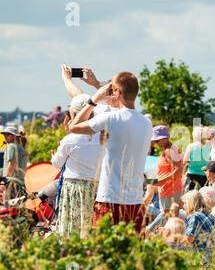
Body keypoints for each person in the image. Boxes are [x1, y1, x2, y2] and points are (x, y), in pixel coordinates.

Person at [69, 71, 152, 233]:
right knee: (133, 255)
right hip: (135, 201)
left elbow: (73, 126)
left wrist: (94, 100)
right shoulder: (147, 123)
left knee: (103, 254)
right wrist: (98, 85)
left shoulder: (111, 119)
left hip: (109, 200)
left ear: (118, 93)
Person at [51, 94, 103, 238]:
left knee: (71, 229)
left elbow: (56, 163)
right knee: (90, 228)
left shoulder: (69, 139)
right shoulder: (103, 136)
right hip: (96, 187)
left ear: (74, 114)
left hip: (73, 187)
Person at [182, 190, 215, 265]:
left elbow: (188, 240)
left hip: (206, 260)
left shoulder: (194, 216)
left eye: (185, 203)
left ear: (191, 203)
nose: (183, 206)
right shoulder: (208, 215)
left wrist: (170, 235)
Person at [151, 125, 183, 211]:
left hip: (170, 192)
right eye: (155, 141)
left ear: (165, 138)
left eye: (157, 140)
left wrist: (161, 181)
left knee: (167, 221)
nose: (155, 143)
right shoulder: (170, 148)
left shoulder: (169, 150)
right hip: (169, 191)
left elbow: (179, 170)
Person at [183, 126, 211, 191]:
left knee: (190, 196)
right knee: (203, 196)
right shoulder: (208, 146)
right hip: (204, 175)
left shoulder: (191, 146)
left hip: (192, 174)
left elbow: (185, 161)